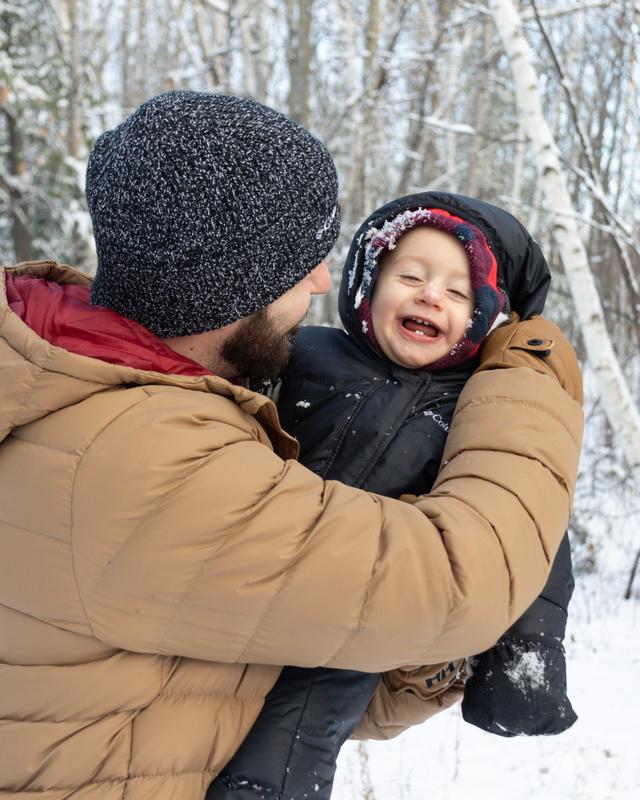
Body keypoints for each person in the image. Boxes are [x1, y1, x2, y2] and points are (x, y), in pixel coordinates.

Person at [0, 91, 583, 800]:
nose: (322, 281)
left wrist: (405, 667)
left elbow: (242, 671)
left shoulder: (91, 381)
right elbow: (460, 582)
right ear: (225, 283)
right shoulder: (145, 461)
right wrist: (529, 374)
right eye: (299, 262)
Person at [208, 193, 578, 800]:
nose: (431, 295)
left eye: (459, 293)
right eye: (410, 276)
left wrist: (528, 647)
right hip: (248, 570)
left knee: (286, 749)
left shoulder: (472, 408)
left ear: (484, 317)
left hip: (357, 615)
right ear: (365, 284)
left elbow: (528, 521)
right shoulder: (301, 351)